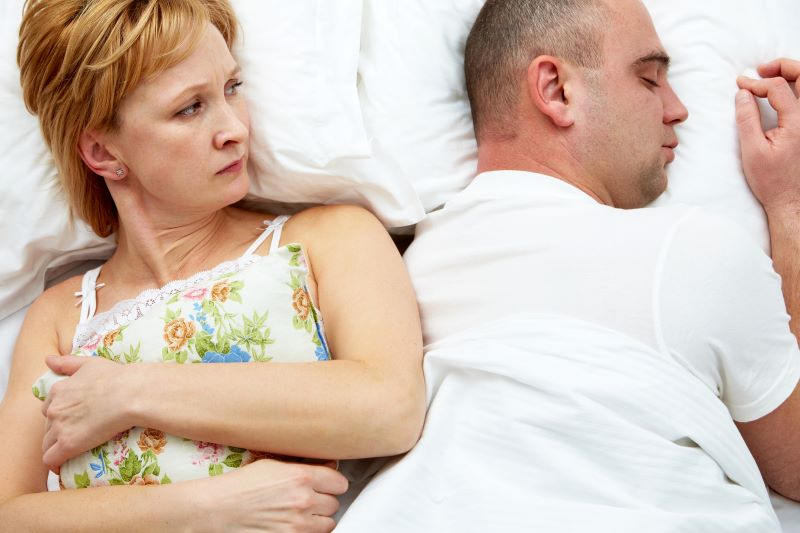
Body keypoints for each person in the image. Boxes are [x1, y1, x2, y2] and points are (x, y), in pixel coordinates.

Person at [337, 0, 800, 531]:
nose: (678, 109)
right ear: (557, 90)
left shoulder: (393, 279)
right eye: (650, 79)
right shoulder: (692, 248)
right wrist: (789, 205)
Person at [0, 0, 425, 530]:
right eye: (189, 109)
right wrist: (211, 508)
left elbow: (390, 408)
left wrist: (128, 393)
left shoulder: (325, 239)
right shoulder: (63, 314)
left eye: (232, 89)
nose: (235, 130)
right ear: (104, 153)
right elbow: (9, 514)